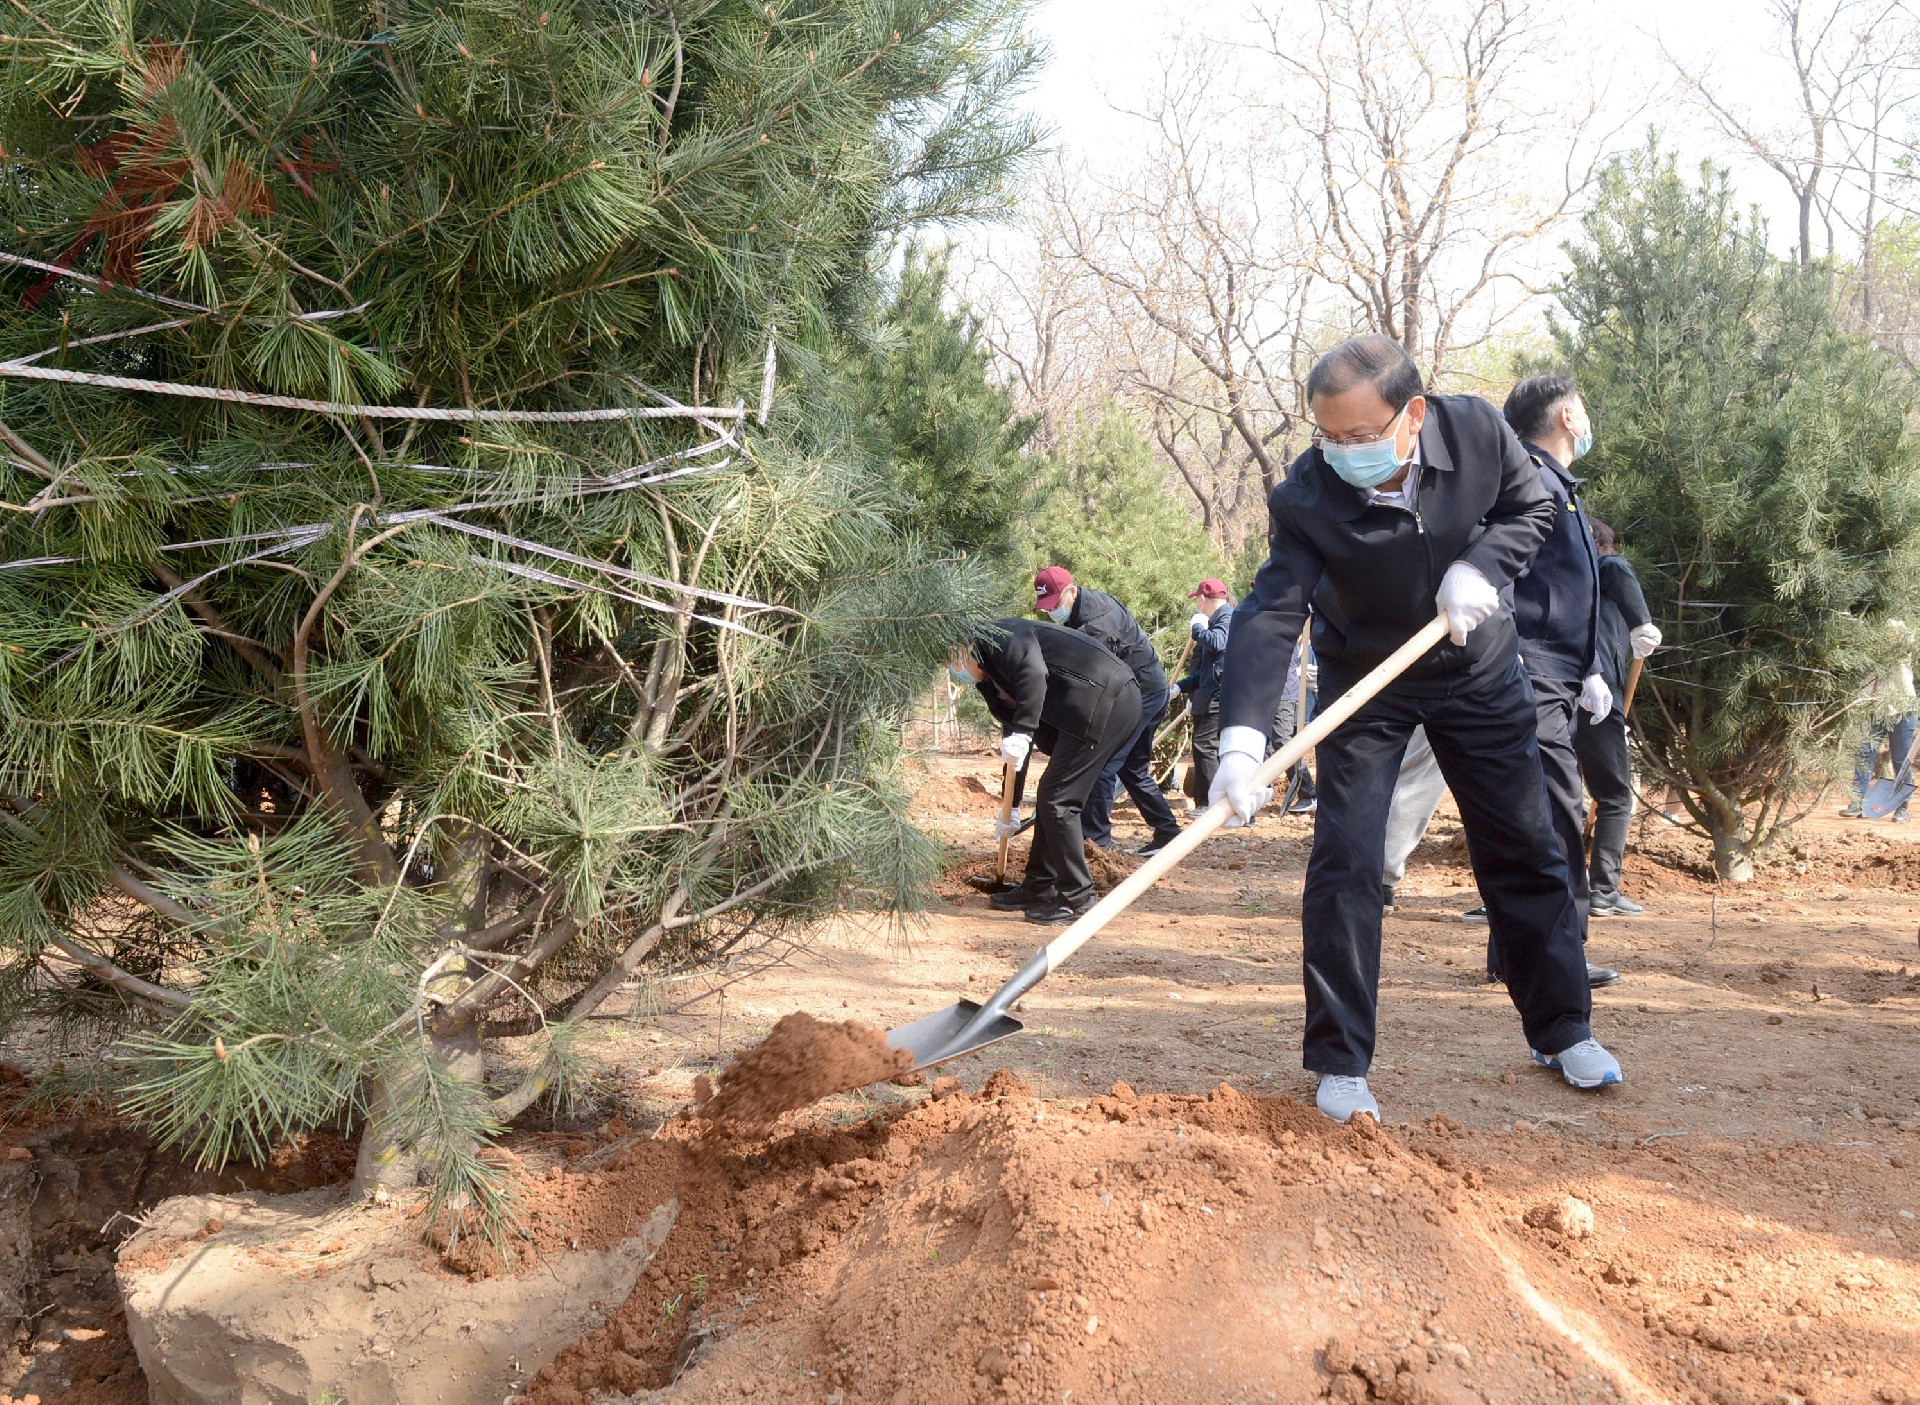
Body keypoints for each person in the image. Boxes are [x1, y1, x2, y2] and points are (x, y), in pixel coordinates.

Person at [1212, 334, 1620, 1124]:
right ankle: (1340, 1061)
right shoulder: (1305, 495)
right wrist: (1241, 743)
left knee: (1524, 843)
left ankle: (1562, 1027)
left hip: (1477, 668)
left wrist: (1482, 566)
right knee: (1348, 861)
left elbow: (1532, 507)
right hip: (1365, 683)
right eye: (1330, 437)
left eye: (1364, 436)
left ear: (1415, 414)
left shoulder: (1475, 431)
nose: (1346, 452)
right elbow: (1270, 613)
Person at [951, 618, 1142, 924]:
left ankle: (1078, 897)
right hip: (1084, 710)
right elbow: (1015, 741)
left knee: (1058, 799)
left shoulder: (1003, 637)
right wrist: (1009, 806)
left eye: (951, 659)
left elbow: (1034, 675)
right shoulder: (991, 680)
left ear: (964, 647)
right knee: (1050, 796)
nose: (953, 669)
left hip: (1109, 700)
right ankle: (1038, 886)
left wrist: (1025, 732)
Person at [1032, 566, 1184, 855]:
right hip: (1147, 688)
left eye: (1054, 605)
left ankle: (1096, 841)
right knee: (1133, 769)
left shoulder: (1097, 625)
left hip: (1143, 693)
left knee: (1103, 765)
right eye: (1046, 607)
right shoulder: (1083, 609)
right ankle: (1169, 831)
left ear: (1072, 591)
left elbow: (1096, 682)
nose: (1051, 612)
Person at [1581, 519, 1660, 914]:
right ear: (1605, 545)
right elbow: (1615, 568)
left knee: (1548, 794)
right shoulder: (1607, 565)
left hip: (1551, 692)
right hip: (1597, 699)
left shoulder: (1560, 575)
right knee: (1613, 796)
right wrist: (1641, 621)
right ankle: (1604, 891)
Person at [1841, 620, 1917, 822]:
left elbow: (1905, 640)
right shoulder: (1864, 633)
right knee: (1864, 754)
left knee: (1901, 760)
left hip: (1902, 708)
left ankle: (1902, 808)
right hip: (1873, 707)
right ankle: (1857, 803)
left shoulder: (1900, 628)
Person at [1176, 580, 1233, 810]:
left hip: (1219, 696)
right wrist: (1181, 688)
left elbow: (1218, 643)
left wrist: (1198, 628)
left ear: (1203, 599)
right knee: (1205, 745)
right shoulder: (1216, 620)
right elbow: (1206, 670)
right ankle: (1207, 802)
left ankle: (1212, 805)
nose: (1198, 608)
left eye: (1198, 602)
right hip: (1209, 694)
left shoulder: (1226, 618)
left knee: (1205, 745)